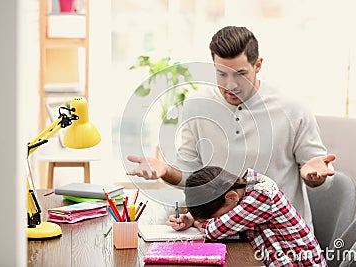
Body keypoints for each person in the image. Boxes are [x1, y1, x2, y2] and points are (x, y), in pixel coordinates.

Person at [127, 26, 335, 228]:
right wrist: (165, 170)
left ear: (258, 65)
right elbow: (190, 177)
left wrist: (314, 177)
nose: (230, 85)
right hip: (222, 230)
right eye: (222, 74)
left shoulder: (293, 110)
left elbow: (321, 178)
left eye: (240, 74)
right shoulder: (197, 106)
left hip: (280, 234)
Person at [166, 166, 327, 266]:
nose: (212, 220)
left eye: (212, 217)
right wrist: (191, 217)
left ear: (231, 197)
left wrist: (198, 222)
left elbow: (214, 230)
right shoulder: (241, 190)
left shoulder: (262, 196)